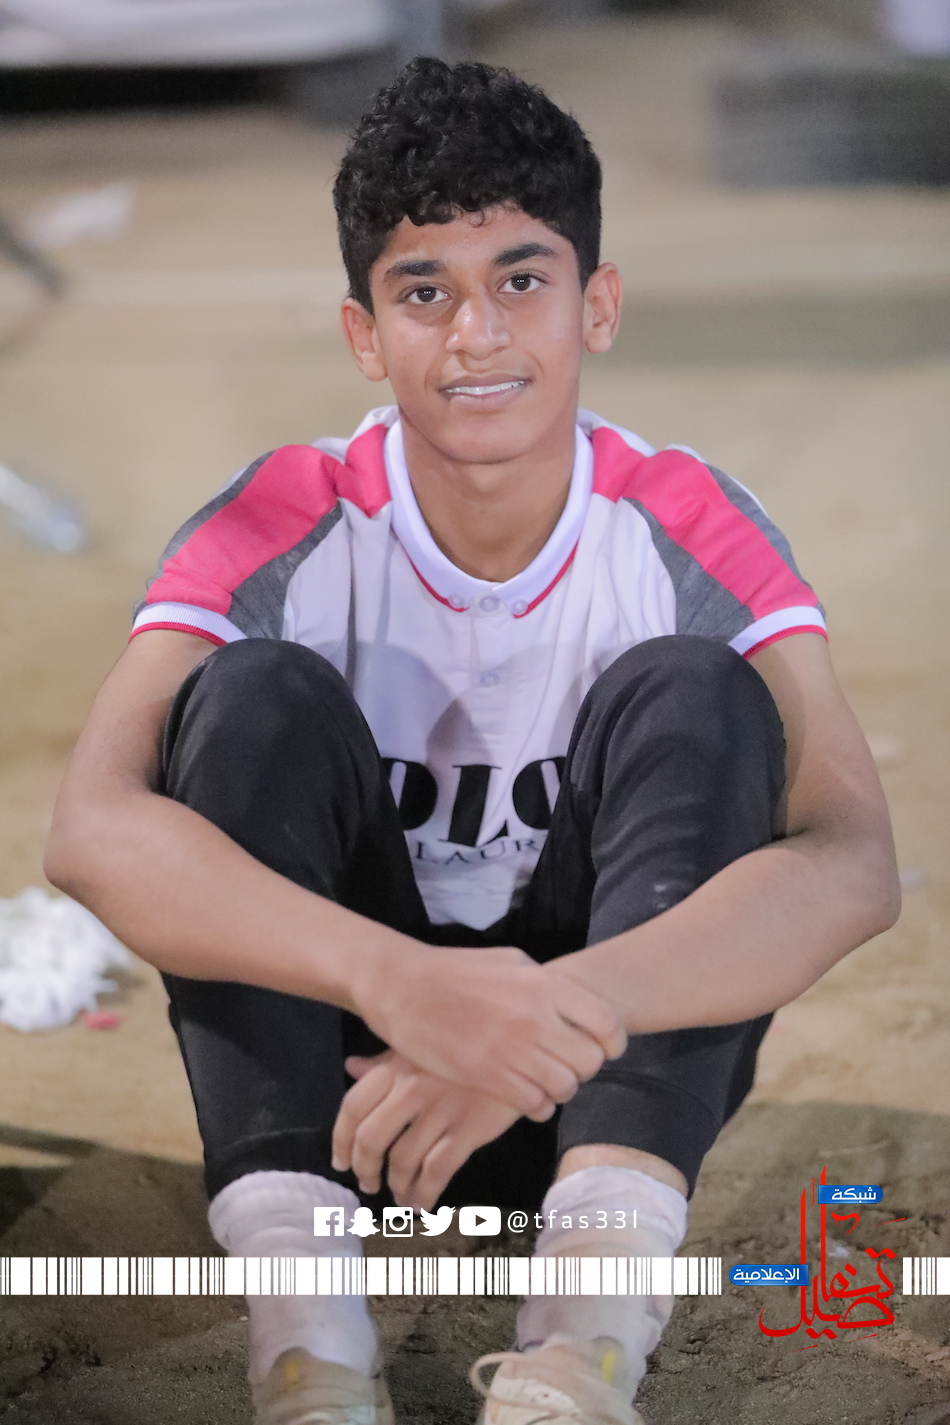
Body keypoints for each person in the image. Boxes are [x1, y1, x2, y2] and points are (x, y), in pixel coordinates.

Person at [45, 57, 899, 1425]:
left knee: (696, 691)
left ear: (596, 304)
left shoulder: (684, 521)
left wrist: (540, 1017)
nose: (477, 334)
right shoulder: (284, 514)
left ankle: (581, 1353)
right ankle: (312, 1357)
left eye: (521, 278)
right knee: (252, 698)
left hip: (593, 1108)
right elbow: (92, 829)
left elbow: (853, 862)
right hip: (346, 1110)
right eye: (424, 291)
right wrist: (403, 985)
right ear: (363, 333)